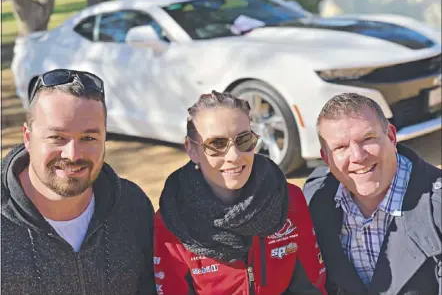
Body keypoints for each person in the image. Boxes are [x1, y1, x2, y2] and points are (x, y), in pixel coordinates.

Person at [153, 90, 326, 295]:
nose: (234, 156)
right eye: (216, 144)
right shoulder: (172, 219)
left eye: (243, 140)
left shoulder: (288, 199)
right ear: (191, 149)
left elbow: (311, 285)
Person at [1, 69, 156, 294]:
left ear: (105, 138)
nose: (72, 155)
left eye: (88, 138)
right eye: (57, 137)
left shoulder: (133, 206)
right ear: (28, 137)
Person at [303, 93, 442, 295]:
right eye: (341, 147)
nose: (358, 157)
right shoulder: (314, 200)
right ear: (326, 157)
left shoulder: (437, 207)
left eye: (367, 139)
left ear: (391, 137)